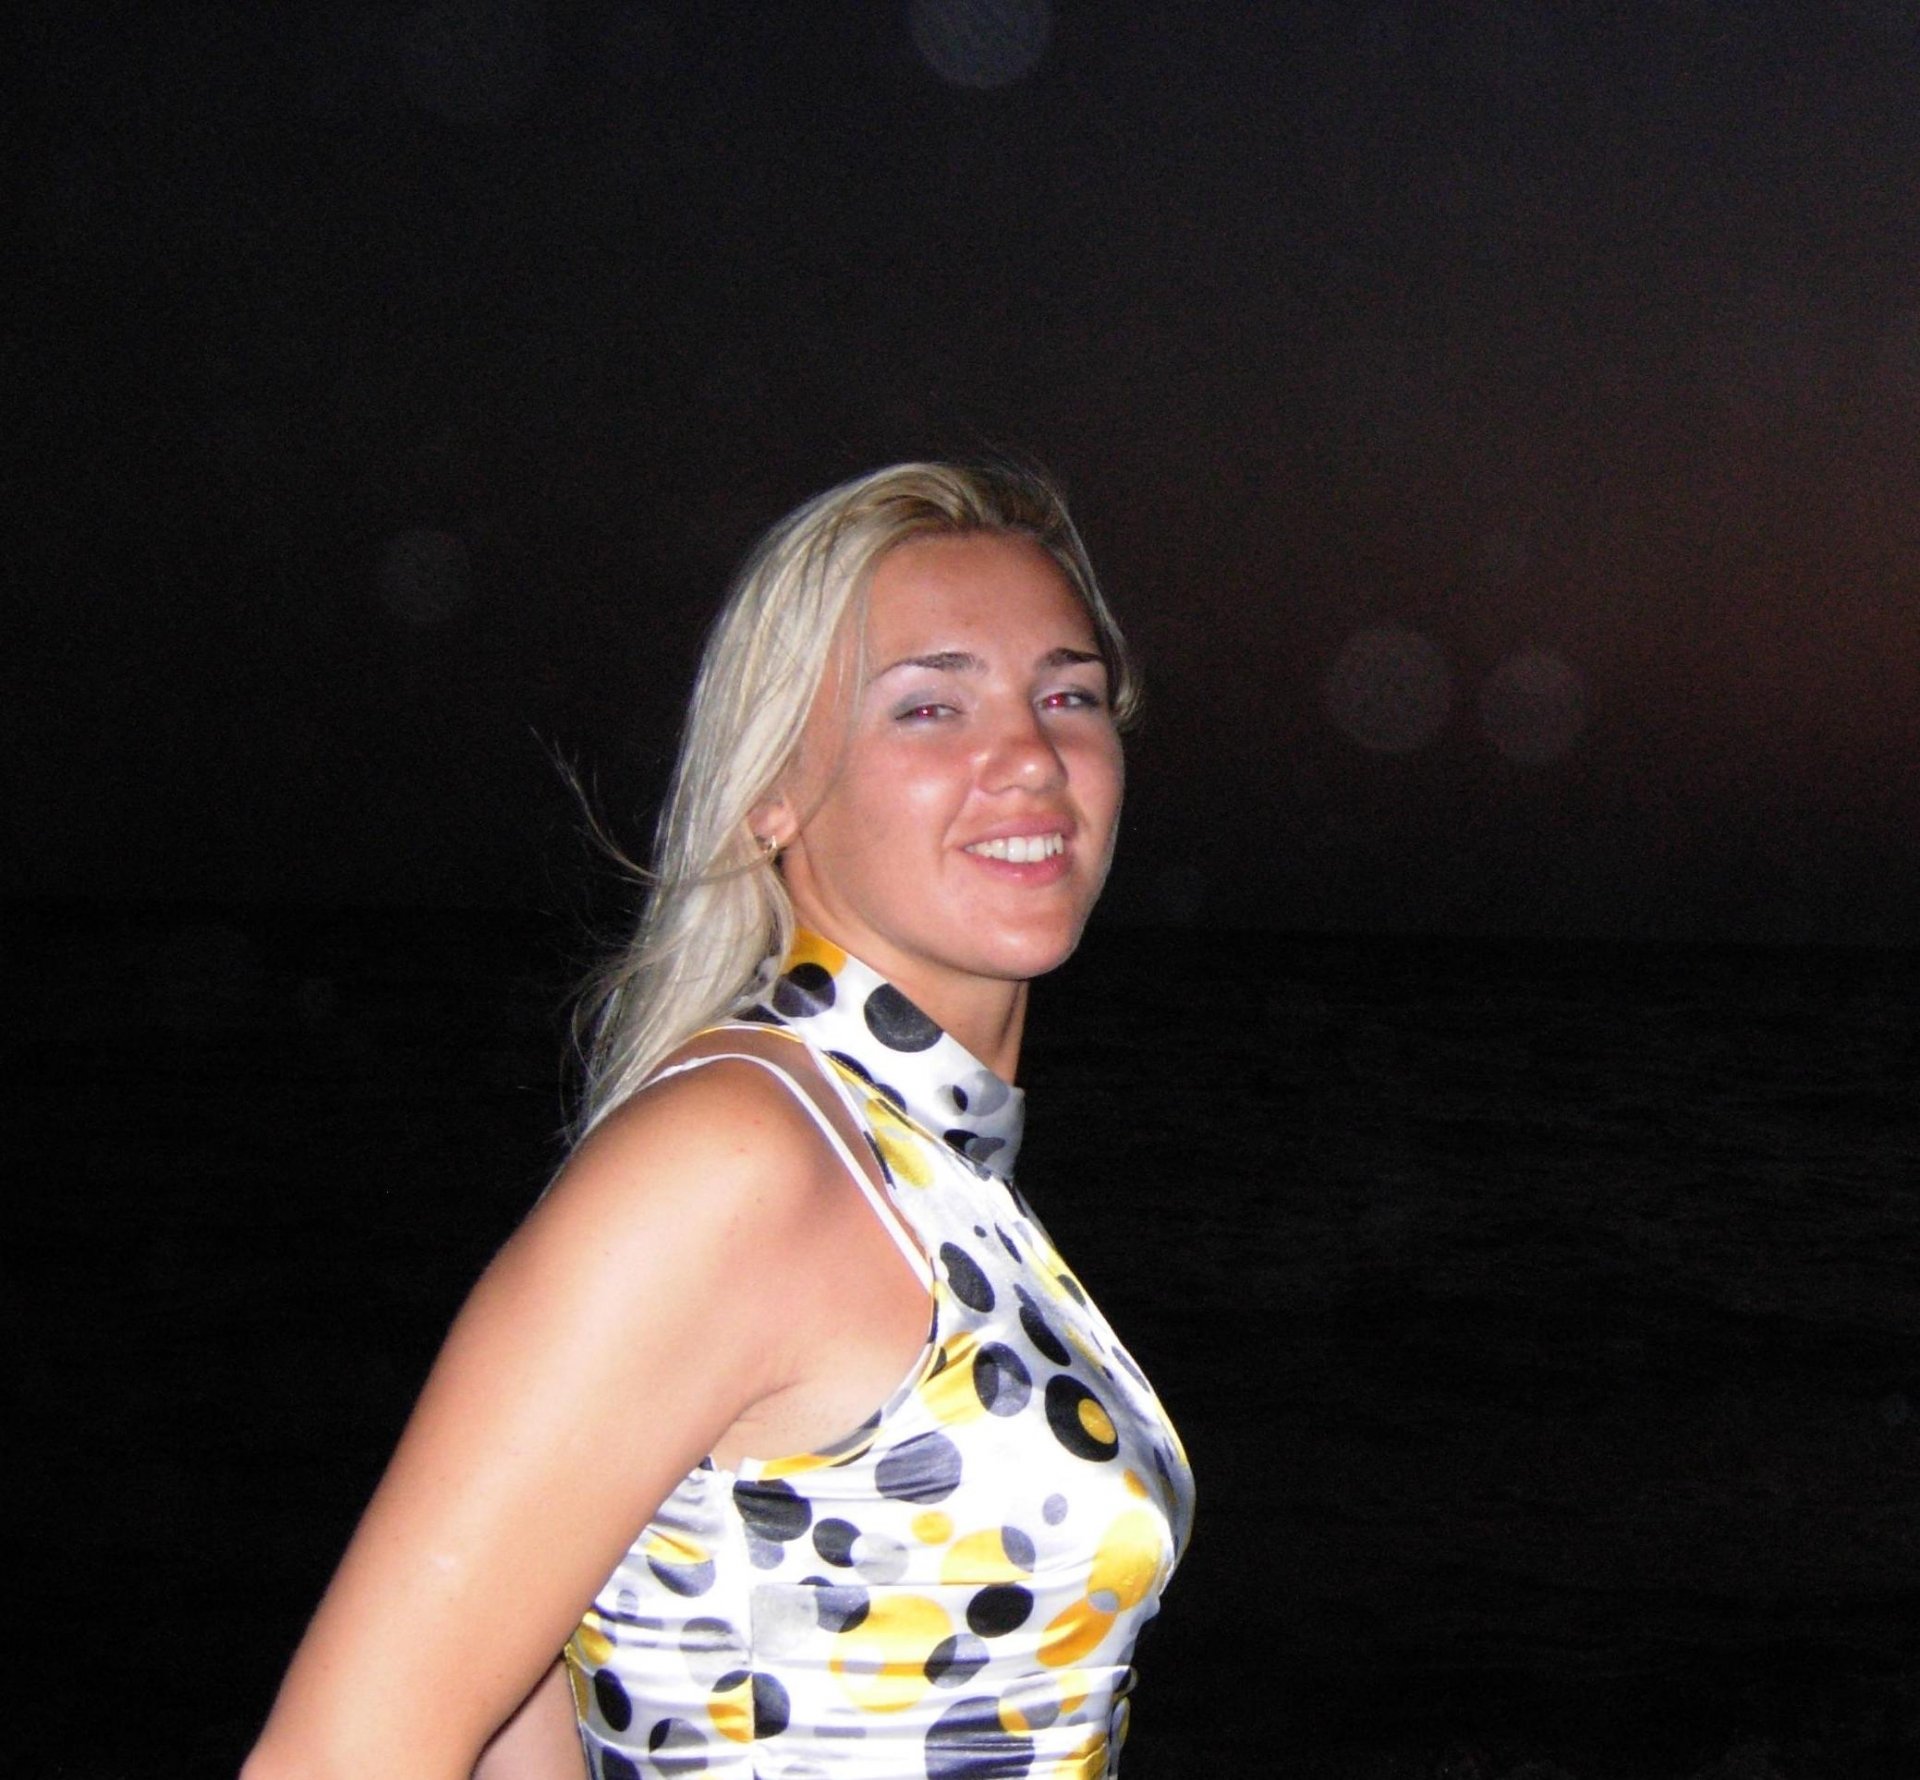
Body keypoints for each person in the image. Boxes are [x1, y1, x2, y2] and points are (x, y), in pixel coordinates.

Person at [243, 461, 1193, 1780]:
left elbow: (530, 1705)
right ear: (773, 788)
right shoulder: (735, 1160)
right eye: (930, 705)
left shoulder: (914, 1166)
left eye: (1067, 695)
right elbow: (347, 1752)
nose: (1031, 756)